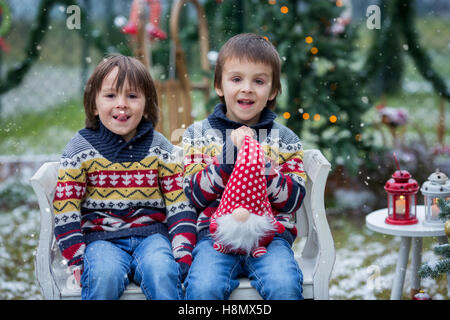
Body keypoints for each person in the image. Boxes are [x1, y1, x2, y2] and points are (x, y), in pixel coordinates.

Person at [53, 54, 196, 300]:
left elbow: (179, 204)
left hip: (152, 236)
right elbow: (66, 208)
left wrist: (182, 250)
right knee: (103, 276)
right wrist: (76, 257)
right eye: (110, 96)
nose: (122, 104)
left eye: (132, 96)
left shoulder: (160, 148)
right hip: (100, 241)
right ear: (94, 105)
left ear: (147, 104)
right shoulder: (80, 150)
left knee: (162, 273)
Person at [182, 33, 307, 300]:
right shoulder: (198, 135)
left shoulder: (285, 139)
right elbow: (194, 195)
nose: (247, 88)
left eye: (258, 81)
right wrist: (230, 155)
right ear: (219, 85)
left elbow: (293, 200)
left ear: (273, 90)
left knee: (284, 286)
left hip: (271, 238)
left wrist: (263, 165)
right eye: (236, 79)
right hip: (213, 239)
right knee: (203, 287)